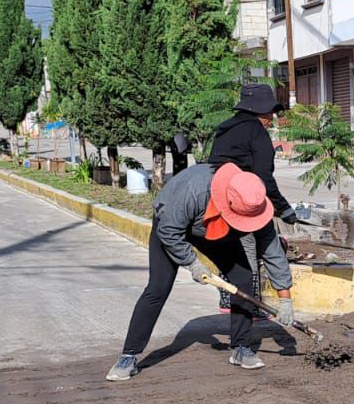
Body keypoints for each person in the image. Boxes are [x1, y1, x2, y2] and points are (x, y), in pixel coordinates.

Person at [106, 162, 295, 381]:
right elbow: (168, 231)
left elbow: (273, 252)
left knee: (243, 278)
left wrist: (285, 299)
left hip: (219, 230)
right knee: (158, 287)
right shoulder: (193, 191)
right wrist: (193, 263)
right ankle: (129, 355)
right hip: (172, 226)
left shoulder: (254, 202)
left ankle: (241, 347)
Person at [207, 83, 298, 316]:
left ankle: (228, 301)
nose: (272, 119)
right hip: (246, 202)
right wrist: (284, 209)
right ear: (260, 112)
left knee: (234, 251)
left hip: (219, 199)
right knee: (264, 246)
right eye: (270, 113)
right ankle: (257, 308)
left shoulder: (225, 128)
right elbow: (264, 177)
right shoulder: (257, 132)